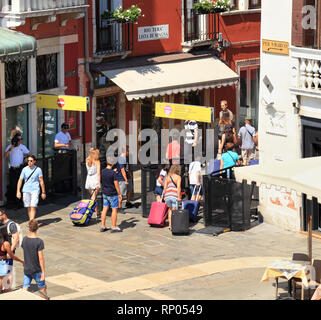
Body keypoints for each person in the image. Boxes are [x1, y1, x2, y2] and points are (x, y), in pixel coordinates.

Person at [21, 219, 48, 299]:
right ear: (37, 228)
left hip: (27, 268)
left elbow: (24, 253)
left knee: (25, 288)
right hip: (36, 270)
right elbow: (41, 258)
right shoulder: (39, 242)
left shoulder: (24, 239)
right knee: (42, 288)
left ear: (29, 228)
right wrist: (43, 272)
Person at [4, 132, 31, 207]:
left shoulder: (22, 147)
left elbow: (29, 154)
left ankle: (20, 202)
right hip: (13, 168)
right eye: (18, 139)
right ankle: (13, 201)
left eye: (21, 139)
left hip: (20, 168)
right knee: (13, 185)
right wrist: (11, 149)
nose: (20, 141)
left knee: (21, 185)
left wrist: (26, 159)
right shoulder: (10, 146)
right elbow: (5, 156)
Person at [16, 155, 46, 221]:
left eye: (31, 161)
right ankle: (31, 219)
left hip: (35, 190)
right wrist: (18, 191)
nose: (29, 162)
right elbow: (20, 180)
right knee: (28, 206)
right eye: (28, 161)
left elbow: (41, 181)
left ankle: (31, 221)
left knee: (33, 206)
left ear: (34, 161)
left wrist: (43, 192)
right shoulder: (24, 169)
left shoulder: (38, 170)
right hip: (26, 190)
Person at [0, 208, 21, 292]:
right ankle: (5, 289)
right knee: (3, 272)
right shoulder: (1, 223)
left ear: (4, 215)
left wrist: (10, 252)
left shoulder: (11, 225)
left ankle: (7, 290)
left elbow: (16, 239)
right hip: (2, 251)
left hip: (8, 251)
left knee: (7, 272)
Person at [100, 157, 122, 233]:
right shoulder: (113, 174)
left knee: (104, 209)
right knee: (114, 210)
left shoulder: (102, 171)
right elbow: (116, 185)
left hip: (105, 193)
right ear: (113, 164)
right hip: (112, 194)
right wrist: (119, 194)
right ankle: (113, 226)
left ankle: (102, 226)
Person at [163, 165, 182, 231]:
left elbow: (165, 187)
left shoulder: (168, 177)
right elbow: (178, 187)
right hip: (174, 195)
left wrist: (164, 196)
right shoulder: (178, 177)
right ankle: (175, 225)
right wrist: (179, 197)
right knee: (174, 210)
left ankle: (170, 225)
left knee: (170, 210)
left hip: (168, 195)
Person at [85, 148, 101, 216]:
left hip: (89, 179)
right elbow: (98, 173)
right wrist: (99, 183)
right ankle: (87, 211)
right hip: (95, 179)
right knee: (93, 198)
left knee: (93, 197)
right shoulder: (97, 161)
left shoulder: (87, 160)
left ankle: (97, 212)